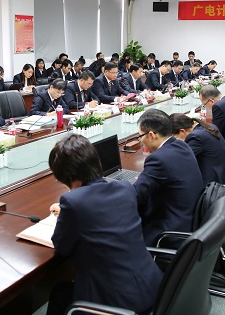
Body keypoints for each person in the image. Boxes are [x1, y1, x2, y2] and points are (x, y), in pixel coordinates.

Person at [45, 134, 162, 315]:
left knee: (59, 293)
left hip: (116, 303)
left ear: (67, 176)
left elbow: (62, 247)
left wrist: (69, 212)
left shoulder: (73, 201)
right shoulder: (125, 188)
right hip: (153, 289)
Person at [133, 109, 203, 245]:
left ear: (152, 135)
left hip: (170, 232)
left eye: (140, 136)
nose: (141, 141)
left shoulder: (158, 159)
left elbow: (136, 195)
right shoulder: (182, 145)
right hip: (190, 220)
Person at [170, 113, 225, 186]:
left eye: (175, 137)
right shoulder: (209, 126)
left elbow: (182, 161)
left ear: (182, 131)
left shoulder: (195, 137)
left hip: (216, 185)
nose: (176, 139)